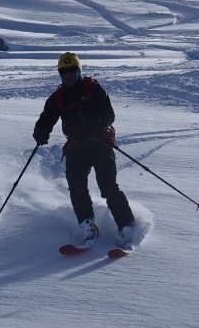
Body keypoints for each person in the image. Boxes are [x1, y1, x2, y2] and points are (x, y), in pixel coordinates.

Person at [33, 52, 136, 246]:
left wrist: (98, 124)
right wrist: (40, 132)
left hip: (100, 142)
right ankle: (88, 224)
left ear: (79, 70)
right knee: (76, 185)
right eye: (64, 71)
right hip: (76, 147)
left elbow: (109, 113)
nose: (69, 74)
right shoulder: (58, 98)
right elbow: (46, 118)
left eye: (72, 70)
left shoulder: (92, 88)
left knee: (108, 186)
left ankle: (127, 227)